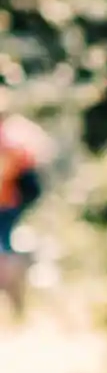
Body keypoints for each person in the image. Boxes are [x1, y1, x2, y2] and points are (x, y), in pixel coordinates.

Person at [0, 110, 48, 324]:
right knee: (6, 248)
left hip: (6, 203)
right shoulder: (17, 135)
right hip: (11, 202)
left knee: (5, 252)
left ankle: (15, 300)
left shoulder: (7, 141)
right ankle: (16, 305)